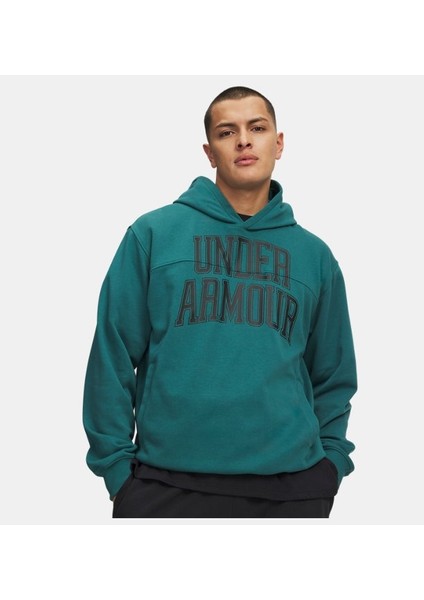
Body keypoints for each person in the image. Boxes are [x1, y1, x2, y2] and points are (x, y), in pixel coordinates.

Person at [83, 86, 357, 518]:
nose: (244, 141)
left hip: (293, 489)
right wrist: (118, 470)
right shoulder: (153, 235)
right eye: (227, 132)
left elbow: (333, 373)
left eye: (257, 128)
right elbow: (112, 355)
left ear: (278, 144)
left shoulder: (315, 256)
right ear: (210, 153)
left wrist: (331, 465)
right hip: (164, 485)